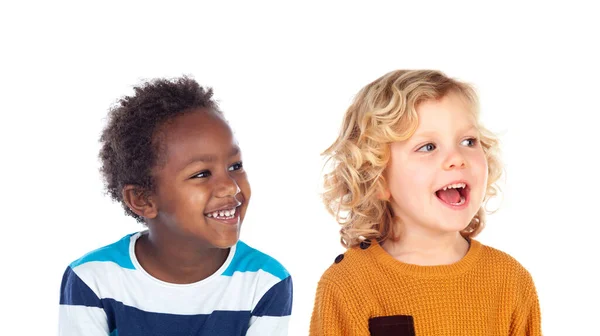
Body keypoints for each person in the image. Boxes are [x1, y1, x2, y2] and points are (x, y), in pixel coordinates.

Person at [309, 70, 541, 335]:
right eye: (428, 147)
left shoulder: (509, 280)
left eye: (468, 141)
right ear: (378, 180)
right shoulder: (347, 285)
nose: (457, 158)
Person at [59, 76, 293, 336]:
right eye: (202, 174)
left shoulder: (265, 281)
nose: (230, 187)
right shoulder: (94, 279)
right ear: (143, 199)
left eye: (234, 167)